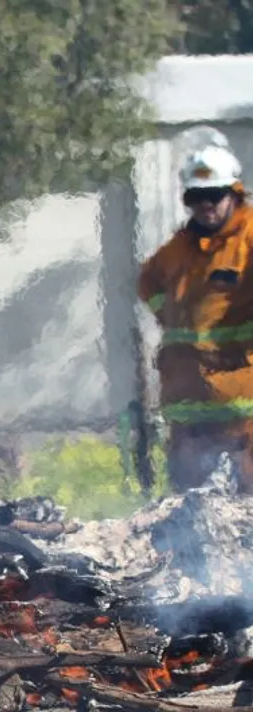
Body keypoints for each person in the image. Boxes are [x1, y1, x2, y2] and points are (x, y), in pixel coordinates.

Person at [139, 143, 253, 491]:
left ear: (234, 194)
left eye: (214, 195)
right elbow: (148, 282)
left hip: (242, 404)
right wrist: (170, 318)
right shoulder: (179, 247)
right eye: (196, 196)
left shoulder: (248, 239)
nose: (205, 205)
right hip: (186, 402)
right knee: (189, 507)